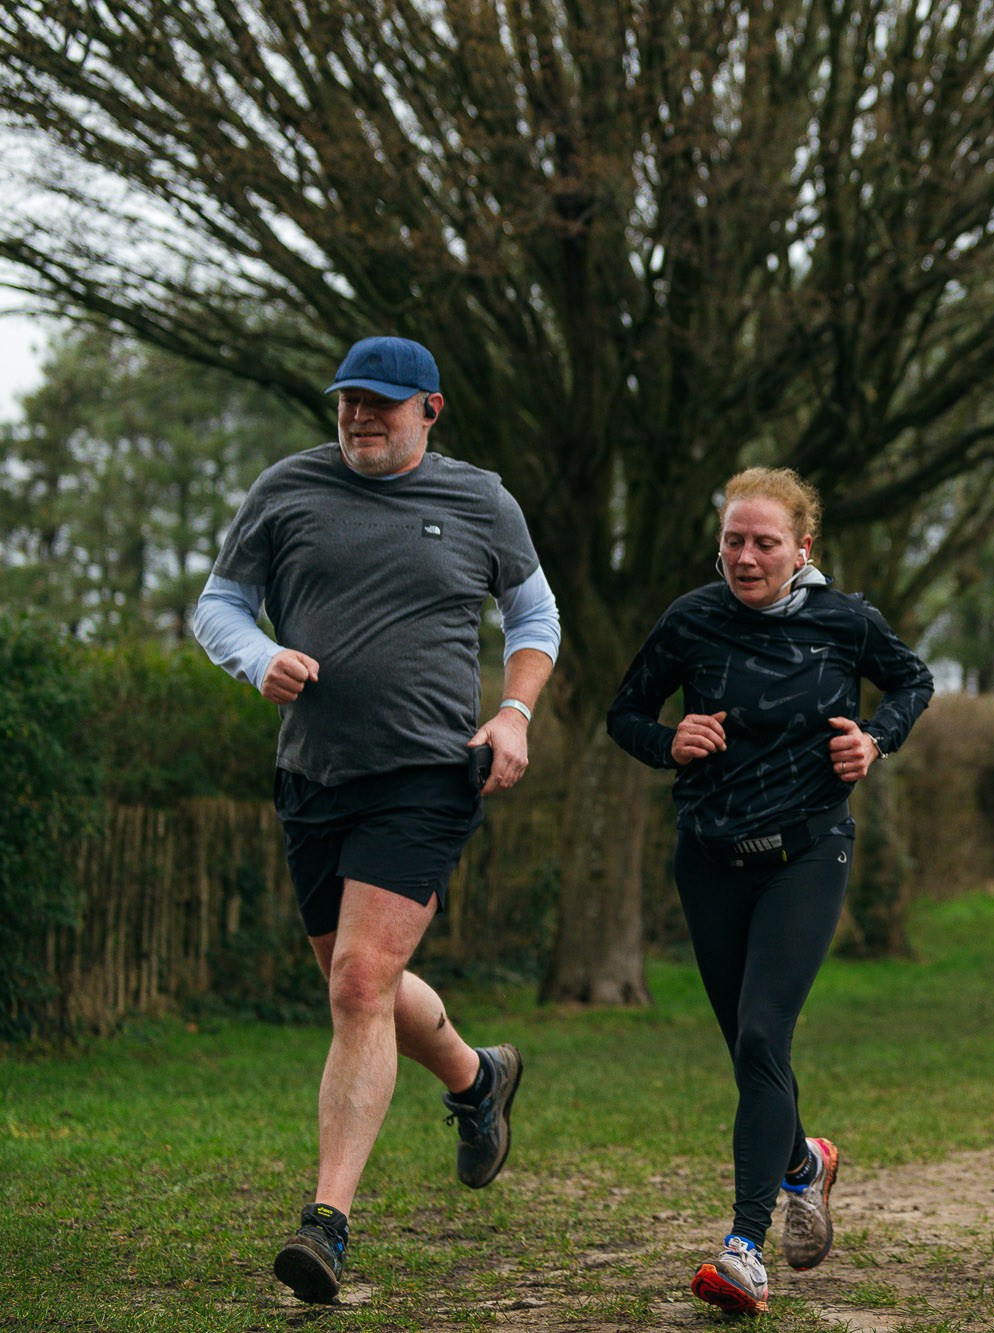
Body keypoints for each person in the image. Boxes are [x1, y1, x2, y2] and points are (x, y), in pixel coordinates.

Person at [190, 336, 561, 1303]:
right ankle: (477, 1079)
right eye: (348, 401)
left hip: (430, 774)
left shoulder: (480, 500)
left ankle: (328, 1223)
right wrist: (255, 654)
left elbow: (536, 618)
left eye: (380, 406)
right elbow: (219, 603)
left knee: (358, 983)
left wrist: (513, 714)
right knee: (361, 982)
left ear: (429, 410)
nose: (358, 417)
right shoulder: (287, 487)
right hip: (314, 777)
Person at [606, 467, 933, 1316]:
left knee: (761, 1034)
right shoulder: (691, 618)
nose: (746, 557)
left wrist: (876, 738)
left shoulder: (845, 620)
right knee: (753, 1053)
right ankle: (804, 1164)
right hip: (709, 859)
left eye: (765, 543)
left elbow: (914, 681)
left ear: (802, 549)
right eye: (733, 541)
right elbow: (625, 712)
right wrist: (667, 738)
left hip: (806, 851)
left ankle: (745, 1247)